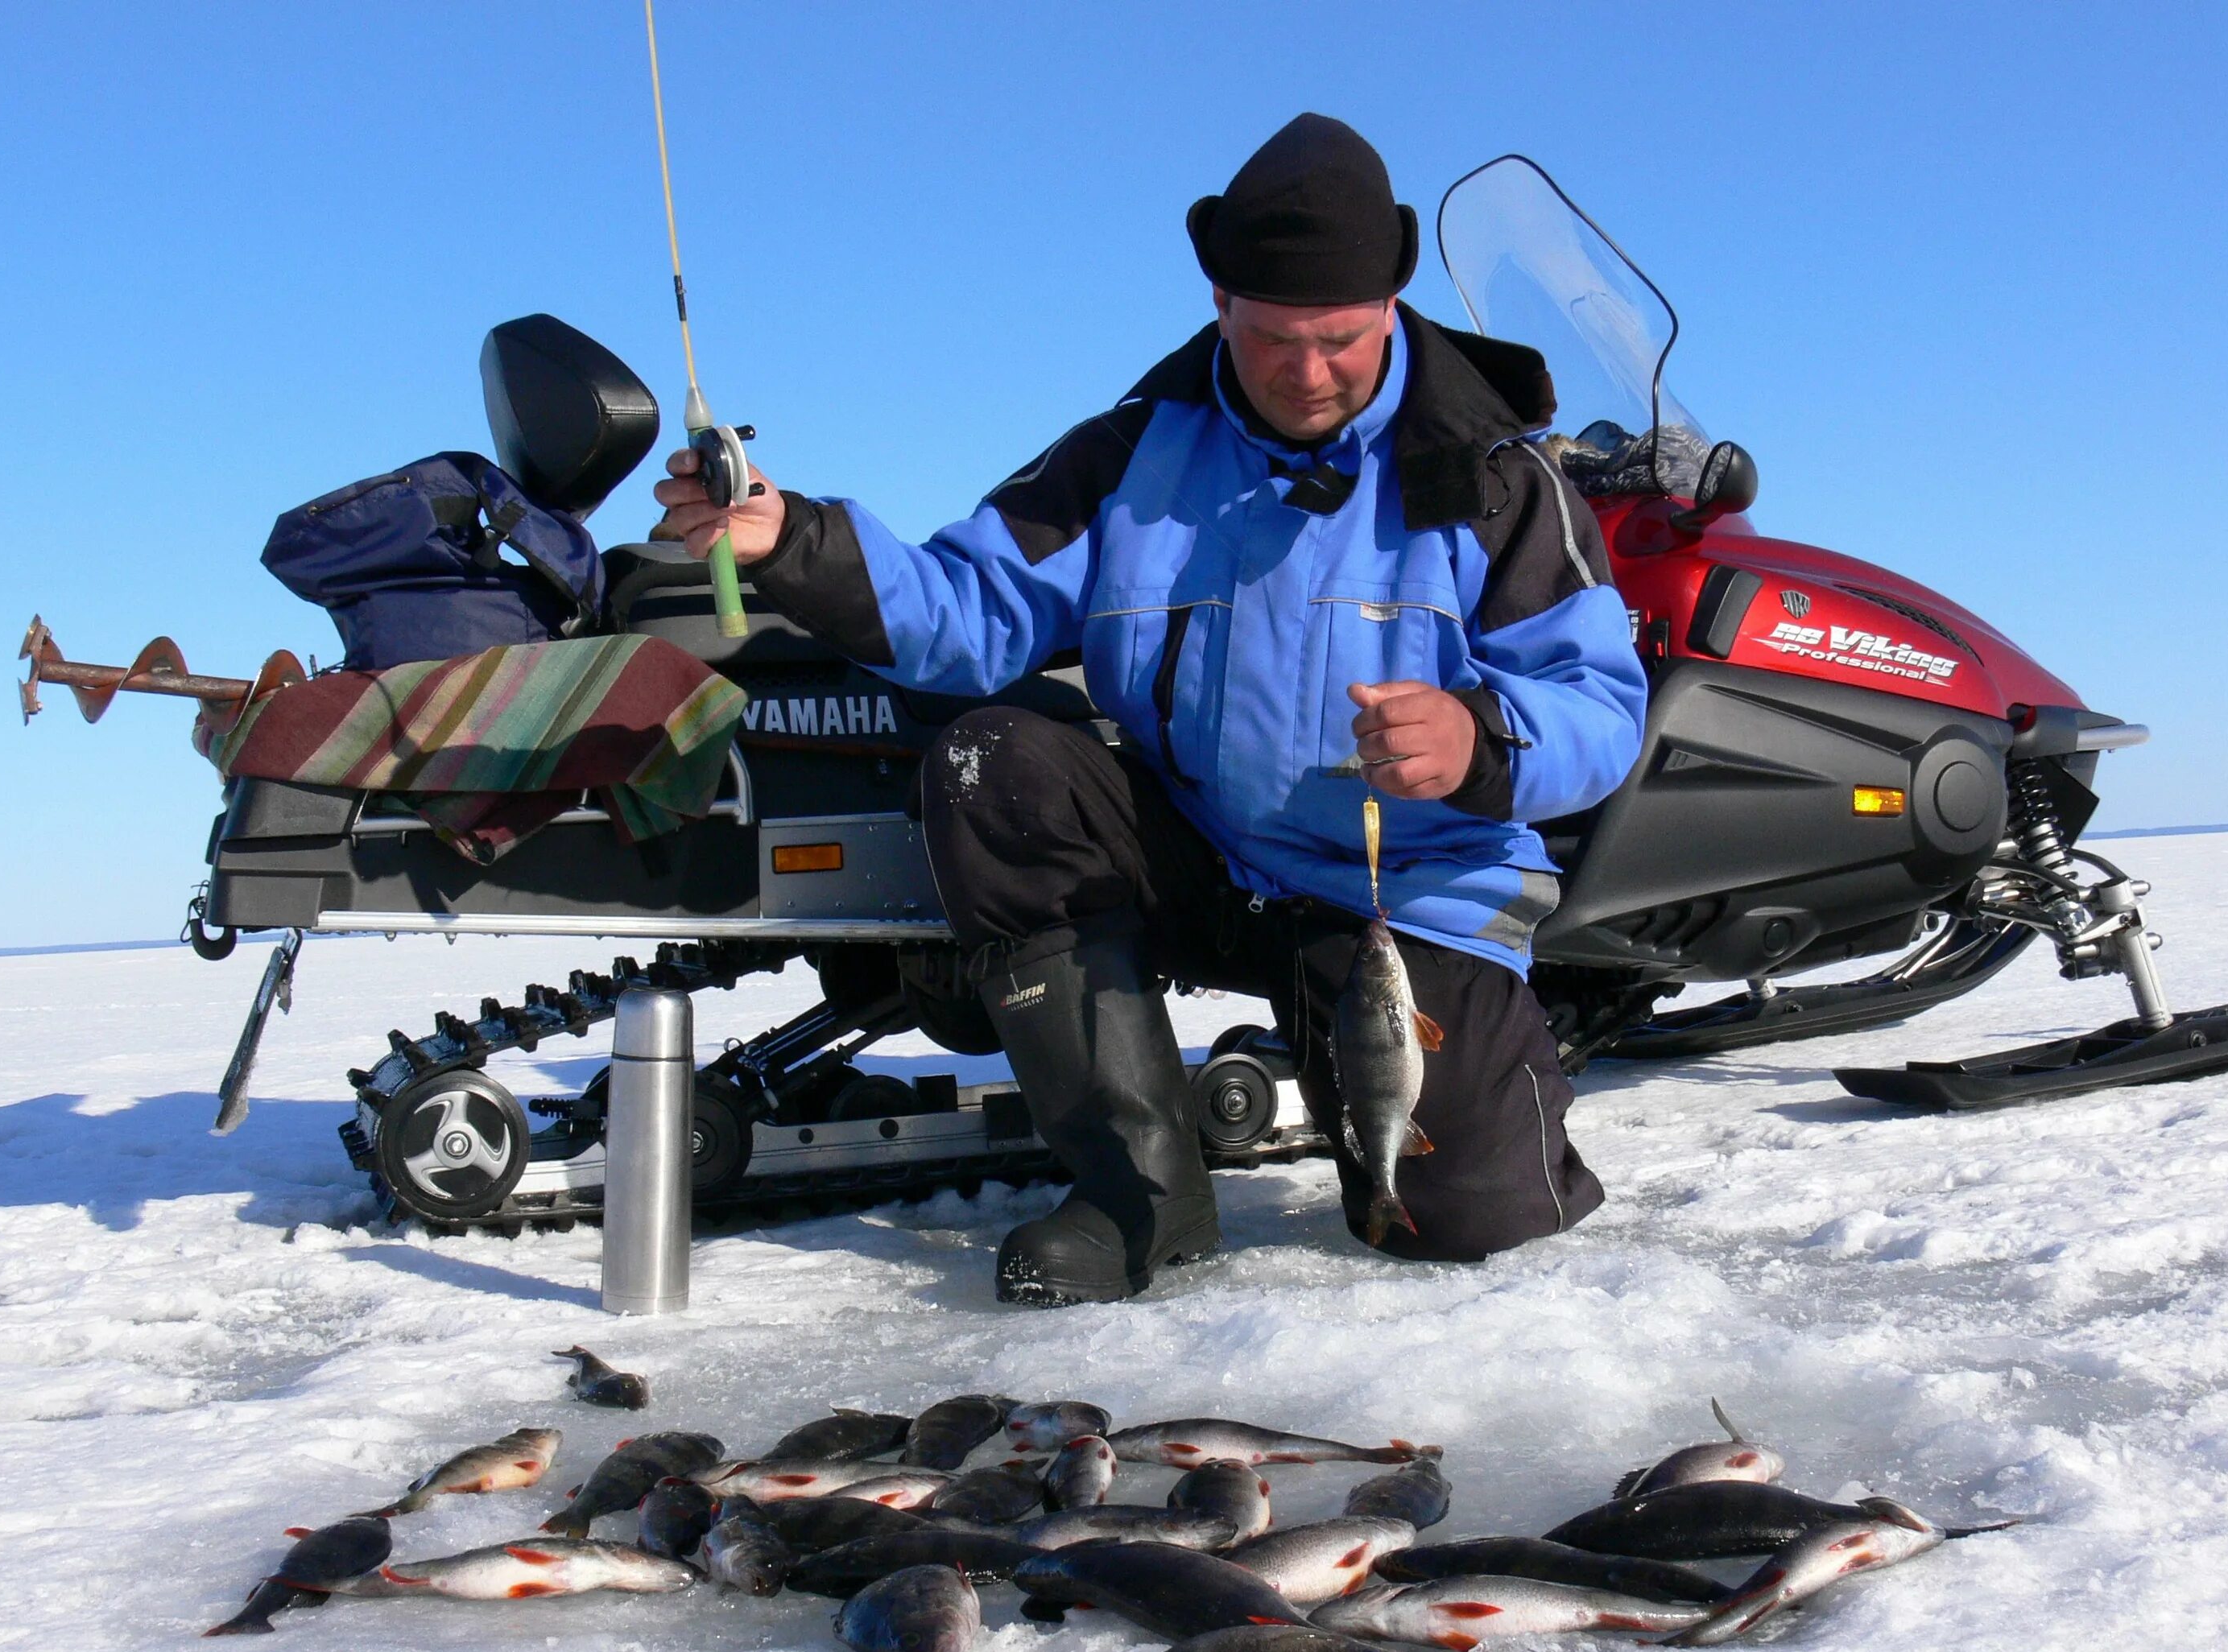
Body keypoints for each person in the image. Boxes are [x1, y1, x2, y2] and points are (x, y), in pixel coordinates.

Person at [655, 114, 1647, 1306]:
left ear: (1393, 304)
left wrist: (1480, 741)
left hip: (1399, 899)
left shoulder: (1492, 476)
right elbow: (969, 609)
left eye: (1341, 339)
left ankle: (1426, 1122)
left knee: (1470, 1221)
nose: (1310, 371)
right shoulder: (1132, 454)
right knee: (994, 760)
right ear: (1221, 301)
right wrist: (790, 540)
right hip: (1204, 857)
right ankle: (1141, 1196)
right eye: (1276, 337)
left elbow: (1598, 703)